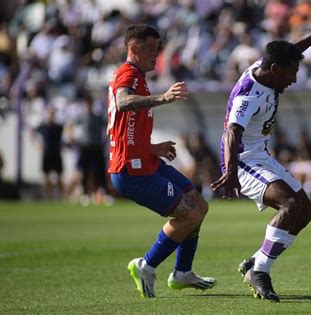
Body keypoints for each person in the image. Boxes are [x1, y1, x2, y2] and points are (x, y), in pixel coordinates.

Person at [211, 11, 311, 302]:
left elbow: (291, 51)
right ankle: (260, 271)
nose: (294, 80)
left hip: (259, 153)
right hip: (243, 158)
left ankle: (255, 261)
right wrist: (232, 172)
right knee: (290, 204)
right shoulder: (250, 94)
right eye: (291, 73)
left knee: (306, 211)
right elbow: (232, 132)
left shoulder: (267, 68)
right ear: (274, 70)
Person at [107, 24, 216, 299]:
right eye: (151, 49)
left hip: (146, 161)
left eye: (158, 49)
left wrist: (152, 147)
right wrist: (164, 97)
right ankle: (146, 265)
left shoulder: (139, 78)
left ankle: (182, 273)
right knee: (188, 214)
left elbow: (126, 129)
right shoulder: (128, 74)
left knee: (199, 205)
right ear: (134, 48)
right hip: (131, 171)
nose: (157, 55)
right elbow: (122, 103)